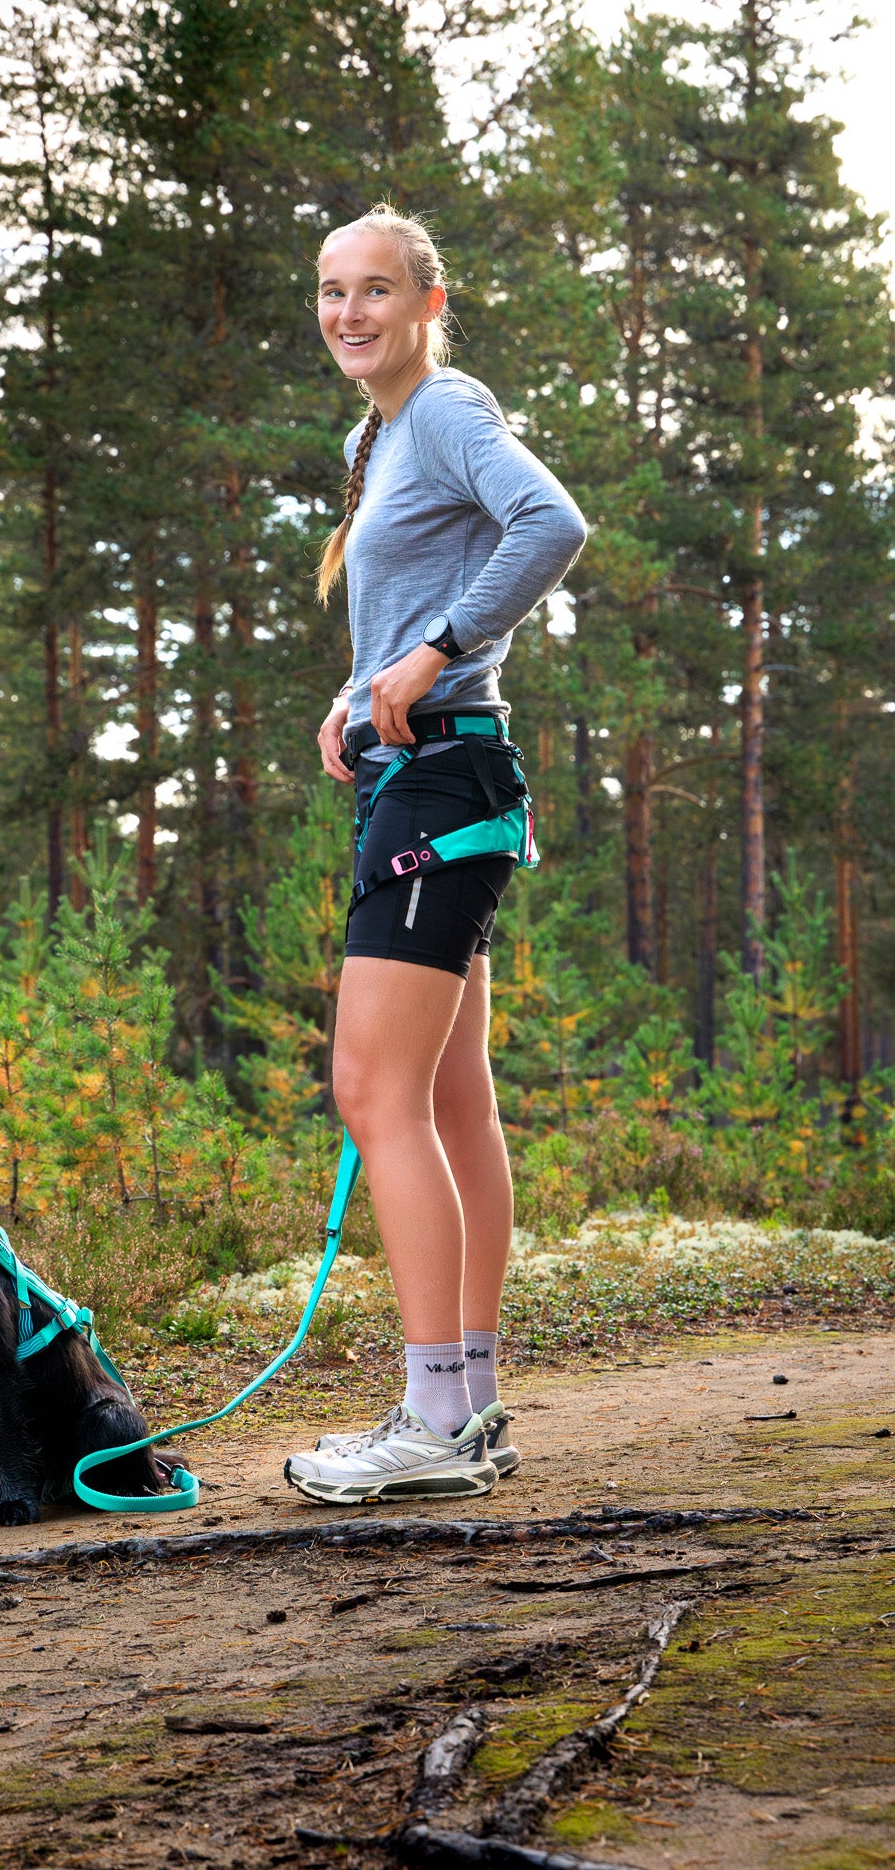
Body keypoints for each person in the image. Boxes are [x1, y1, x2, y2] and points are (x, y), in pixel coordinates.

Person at [283, 206, 586, 1506]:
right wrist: (359, 692)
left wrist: (427, 658)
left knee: (374, 1091)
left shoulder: (449, 408)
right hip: (424, 775)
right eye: (331, 292)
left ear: (427, 301)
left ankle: (430, 1421)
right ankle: (466, 1404)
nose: (350, 313)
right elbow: (408, 606)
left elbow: (551, 526)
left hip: (446, 782)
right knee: (452, 1103)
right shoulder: (377, 436)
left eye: (375, 291)